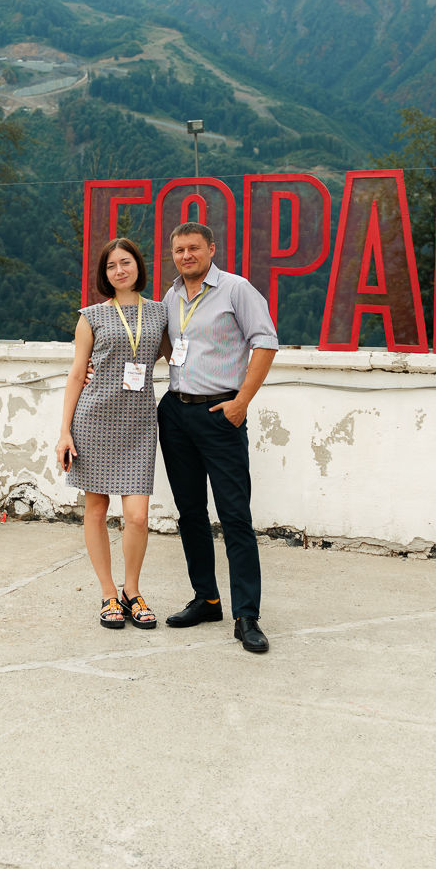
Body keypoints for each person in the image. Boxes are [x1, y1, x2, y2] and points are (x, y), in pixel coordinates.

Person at [157, 221, 278, 653]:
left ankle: (247, 616)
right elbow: (167, 345)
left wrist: (241, 402)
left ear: (211, 248)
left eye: (193, 248)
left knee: (234, 516)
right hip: (176, 413)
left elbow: (266, 343)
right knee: (190, 512)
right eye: (179, 250)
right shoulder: (171, 296)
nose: (186, 256)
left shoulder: (235, 289)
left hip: (219, 413)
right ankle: (206, 599)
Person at [57, 238, 169, 630]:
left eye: (125, 262)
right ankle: (108, 593)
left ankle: (131, 590)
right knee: (96, 509)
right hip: (94, 420)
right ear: (104, 274)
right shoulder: (91, 316)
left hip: (139, 424)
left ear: (138, 265)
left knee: (137, 517)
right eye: (111, 266)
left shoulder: (160, 312)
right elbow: (77, 372)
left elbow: (169, 353)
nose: (119, 271)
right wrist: (64, 432)